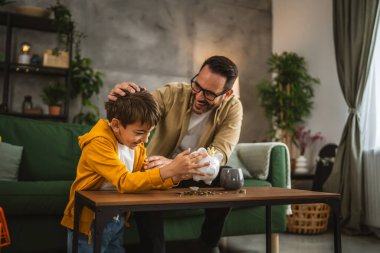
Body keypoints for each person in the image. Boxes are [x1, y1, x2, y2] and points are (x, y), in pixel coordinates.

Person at [109, 56, 242, 253]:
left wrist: (176, 164)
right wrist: (121, 99)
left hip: (192, 174)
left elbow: (218, 155)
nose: (198, 96)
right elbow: (137, 110)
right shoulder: (172, 93)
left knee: (227, 176)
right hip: (156, 169)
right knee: (146, 186)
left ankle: (207, 245)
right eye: (197, 86)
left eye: (209, 94)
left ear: (227, 93)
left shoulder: (233, 109)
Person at [61, 90, 208, 253]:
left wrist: (175, 177)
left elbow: (144, 180)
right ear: (116, 125)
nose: (145, 139)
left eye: (149, 132)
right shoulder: (98, 144)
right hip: (89, 223)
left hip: (116, 218)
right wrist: (169, 169)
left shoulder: (136, 146)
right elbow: (125, 181)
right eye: (140, 132)